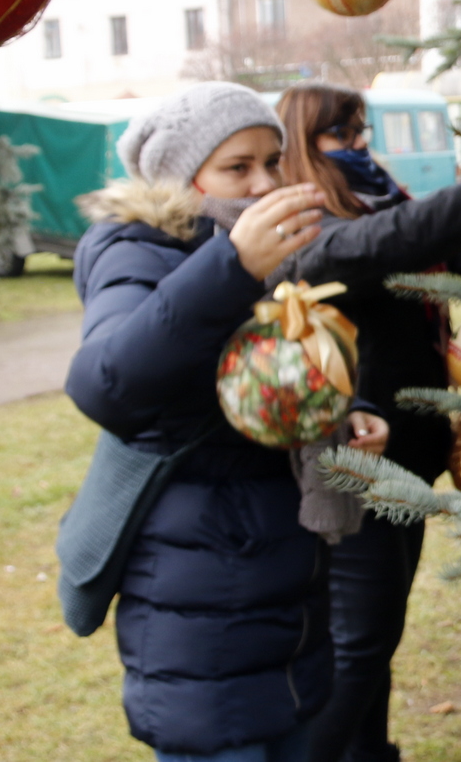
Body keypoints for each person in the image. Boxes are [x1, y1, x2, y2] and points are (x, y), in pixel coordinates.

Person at [64, 82, 390, 762]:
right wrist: (233, 265)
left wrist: (344, 415)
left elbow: (259, 383)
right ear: (182, 179)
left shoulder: (252, 250)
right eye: (236, 166)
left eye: (272, 161)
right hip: (203, 607)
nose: (263, 182)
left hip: (285, 596)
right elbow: (106, 384)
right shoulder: (137, 250)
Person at [271, 83, 461, 762]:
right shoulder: (317, 230)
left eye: (362, 130)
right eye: (343, 134)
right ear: (305, 143)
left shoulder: (375, 203)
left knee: (373, 640)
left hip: (408, 453)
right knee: (358, 645)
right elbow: (390, 245)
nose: (360, 144)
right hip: (358, 459)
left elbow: (446, 266)